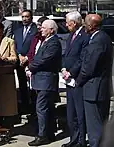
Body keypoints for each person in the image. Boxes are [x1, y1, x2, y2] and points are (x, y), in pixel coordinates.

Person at [76, 14, 113, 147]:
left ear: (91, 26)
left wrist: (78, 81)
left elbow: (89, 67)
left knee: (94, 128)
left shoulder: (98, 40)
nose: (83, 26)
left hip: (94, 90)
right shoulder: (104, 38)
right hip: (101, 89)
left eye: (85, 23)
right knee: (101, 125)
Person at [27, 19, 62, 146]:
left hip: (46, 81)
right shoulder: (45, 41)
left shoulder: (53, 43)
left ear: (51, 30)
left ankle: (42, 136)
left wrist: (30, 67)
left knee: (41, 108)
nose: (41, 29)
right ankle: (49, 134)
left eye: (44, 27)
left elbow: (44, 59)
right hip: (40, 80)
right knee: (47, 108)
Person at [61, 11, 89, 147]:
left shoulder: (84, 37)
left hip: (78, 79)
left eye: (67, 22)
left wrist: (71, 72)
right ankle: (73, 139)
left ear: (74, 23)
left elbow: (81, 58)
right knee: (70, 113)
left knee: (79, 113)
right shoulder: (70, 36)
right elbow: (66, 55)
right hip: (68, 79)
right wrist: (63, 68)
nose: (66, 25)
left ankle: (81, 141)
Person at [13, 10, 37, 114]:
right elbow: (16, 45)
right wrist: (19, 55)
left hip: (31, 61)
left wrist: (27, 57)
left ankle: (34, 108)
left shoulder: (36, 30)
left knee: (32, 86)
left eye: (27, 17)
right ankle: (25, 106)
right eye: (23, 17)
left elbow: (35, 45)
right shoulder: (18, 31)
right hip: (20, 62)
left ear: (31, 18)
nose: (24, 19)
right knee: (22, 85)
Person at [25, 16, 49, 118]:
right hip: (32, 70)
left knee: (43, 103)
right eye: (38, 25)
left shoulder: (49, 40)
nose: (38, 28)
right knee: (33, 97)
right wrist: (28, 65)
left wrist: (31, 67)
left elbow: (43, 59)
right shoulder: (36, 37)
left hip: (42, 75)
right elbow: (31, 52)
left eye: (41, 25)